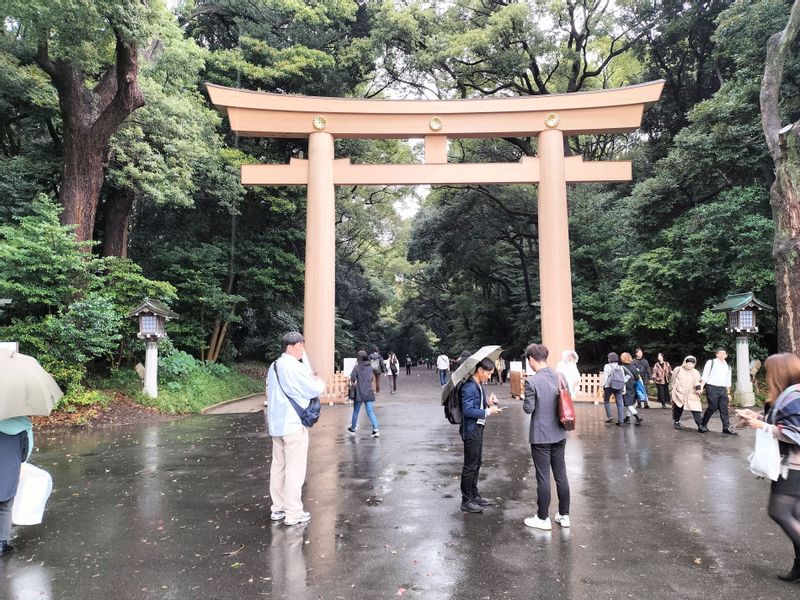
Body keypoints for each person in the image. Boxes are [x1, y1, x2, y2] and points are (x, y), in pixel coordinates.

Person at [736, 353, 800, 583]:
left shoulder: (794, 396)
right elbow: (782, 420)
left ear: (781, 372)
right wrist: (756, 417)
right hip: (790, 465)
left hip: (793, 466)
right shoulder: (790, 395)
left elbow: (795, 434)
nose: (767, 374)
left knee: (779, 511)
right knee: (794, 515)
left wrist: (761, 425)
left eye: (770, 370)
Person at [267, 332, 326, 526]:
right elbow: (315, 389)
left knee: (278, 467)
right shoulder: (294, 367)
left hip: (276, 425)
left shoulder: (274, 366)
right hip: (293, 424)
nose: (302, 350)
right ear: (291, 347)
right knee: (294, 469)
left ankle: (278, 509)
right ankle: (293, 513)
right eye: (300, 346)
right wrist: (318, 381)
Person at [522, 343, 571, 530]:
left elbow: (529, 409)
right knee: (561, 475)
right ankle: (564, 515)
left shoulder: (532, 381)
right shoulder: (560, 376)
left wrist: (525, 395)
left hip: (541, 436)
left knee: (543, 477)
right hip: (559, 432)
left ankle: (543, 518)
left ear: (531, 360)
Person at [459, 357, 501, 513]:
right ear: (480, 370)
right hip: (471, 430)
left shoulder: (478, 385)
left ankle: (474, 495)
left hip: (478, 427)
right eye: (488, 373)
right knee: (470, 465)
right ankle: (466, 500)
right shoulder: (469, 387)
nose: (489, 376)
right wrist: (488, 411)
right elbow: (468, 410)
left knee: (477, 462)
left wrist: (489, 402)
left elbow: (478, 404)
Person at [0, 416, 33, 557]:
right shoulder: (23, 424)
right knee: (5, 506)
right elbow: (25, 455)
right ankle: (1, 545)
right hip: (8, 471)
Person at [701, 348, 737, 435]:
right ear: (716, 354)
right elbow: (705, 375)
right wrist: (701, 387)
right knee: (713, 406)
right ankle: (703, 424)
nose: (722, 355)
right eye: (720, 353)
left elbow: (728, 381)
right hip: (711, 387)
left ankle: (726, 427)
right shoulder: (711, 362)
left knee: (724, 408)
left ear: (726, 356)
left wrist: (728, 393)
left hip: (723, 389)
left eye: (724, 354)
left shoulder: (728, 367)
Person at [347, 350, 380, 437]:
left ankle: (353, 428)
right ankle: (375, 429)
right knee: (370, 411)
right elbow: (371, 379)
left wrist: (353, 383)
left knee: (356, 411)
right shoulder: (370, 367)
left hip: (359, 392)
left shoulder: (357, 367)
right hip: (369, 392)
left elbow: (352, 379)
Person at [670, 356, 706, 432]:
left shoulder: (695, 372)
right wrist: (673, 389)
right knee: (678, 408)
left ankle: (700, 425)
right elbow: (673, 379)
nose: (690, 365)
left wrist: (698, 389)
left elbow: (697, 381)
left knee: (695, 409)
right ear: (685, 363)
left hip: (691, 393)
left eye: (692, 364)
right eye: (689, 363)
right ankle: (676, 422)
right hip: (680, 392)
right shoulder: (678, 369)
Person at [602, 352, 627, 425]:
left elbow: (605, 377)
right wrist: (624, 388)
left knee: (606, 401)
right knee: (620, 403)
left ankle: (610, 416)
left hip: (609, 386)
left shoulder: (607, 366)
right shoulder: (620, 367)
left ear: (610, 359)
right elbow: (623, 378)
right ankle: (621, 420)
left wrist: (601, 386)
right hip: (619, 386)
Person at [620, 352, 644, 425]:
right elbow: (637, 378)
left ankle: (637, 416)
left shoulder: (621, 367)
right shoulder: (633, 367)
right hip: (633, 386)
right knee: (630, 403)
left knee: (628, 404)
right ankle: (627, 418)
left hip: (625, 387)